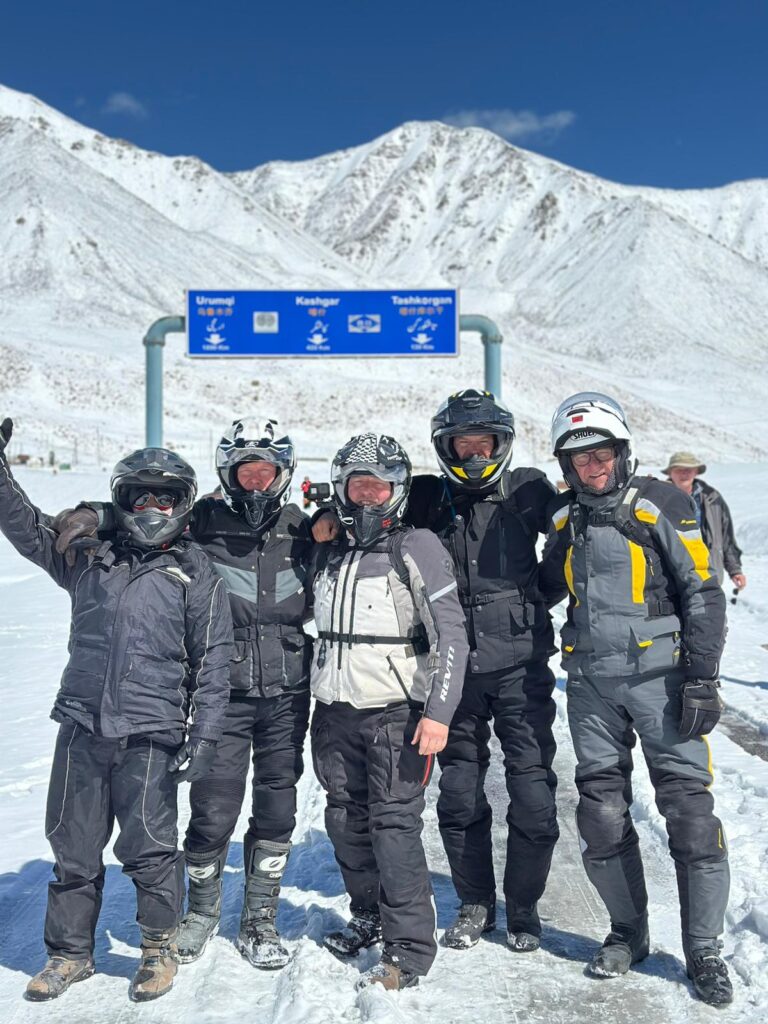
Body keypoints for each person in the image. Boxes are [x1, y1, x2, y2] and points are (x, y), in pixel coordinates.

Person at [52, 418, 313, 970]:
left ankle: (260, 918)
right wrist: (94, 512)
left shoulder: (305, 530)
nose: (257, 486)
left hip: (288, 692)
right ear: (229, 476)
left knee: (276, 806)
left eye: (267, 474)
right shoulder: (204, 524)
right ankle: (199, 912)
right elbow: (140, 517)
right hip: (227, 691)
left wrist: (334, 515)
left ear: (283, 476)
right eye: (247, 474)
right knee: (213, 809)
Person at [312, 389, 564, 952]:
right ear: (443, 446)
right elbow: (371, 510)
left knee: (532, 793)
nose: (473, 455)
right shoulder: (426, 496)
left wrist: (531, 601)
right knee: (459, 793)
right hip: (454, 678)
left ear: (501, 444)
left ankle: (523, 908)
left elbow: (572, 536)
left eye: (484, 444)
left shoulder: (527, 488)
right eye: (461, 445)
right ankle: (476, 902)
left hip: (520, 669)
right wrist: (327, 515)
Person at [0, 420, 232, 1003]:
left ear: (183, 504)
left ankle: (157, 949)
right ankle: (69, 953)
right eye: (140, 496)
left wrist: (203, 736)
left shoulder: (195, 570)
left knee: (150, 847)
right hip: (82, 722)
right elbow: (26, 528)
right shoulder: (88, 556)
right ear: (122, 500)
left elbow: (214, 659)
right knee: (72, 846)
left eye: (166, 497)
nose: (152, 508)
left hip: (151, 730)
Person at [540, 393, 732, 1007]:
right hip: (591, 684)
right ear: (565, 467)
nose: (591, 467)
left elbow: (702, 589)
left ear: (620, 453)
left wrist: (702, 676)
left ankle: (703, 949)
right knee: (598, 813)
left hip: (663, 680)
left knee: (690, 815)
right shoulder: (565, 519)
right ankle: (628, 932)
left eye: (600, 454)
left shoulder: (659, 503)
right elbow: (538, 585)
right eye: (579, 459)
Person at [308, 433, 469, 991]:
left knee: (395, 830)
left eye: (379, 488)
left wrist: (439, 712)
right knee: (344, 822)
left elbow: (452, 635)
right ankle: (368, 916)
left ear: (397, 492)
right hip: (333, 712)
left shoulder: (416, 545)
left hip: (396, 714)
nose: (367, 499)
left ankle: (409, 950)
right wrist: (322, 521)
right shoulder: (332, 547)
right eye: (357, 487)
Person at [662, 451, 746, 591]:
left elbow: (726, 538)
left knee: (711, 611)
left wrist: (735, 570)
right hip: (669, 577)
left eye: (688, 470)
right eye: (679, 469)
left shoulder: (712, 498)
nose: (684, 473)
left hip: (708, 573)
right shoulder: (656, 498)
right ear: (670, 473)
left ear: (696, 472)